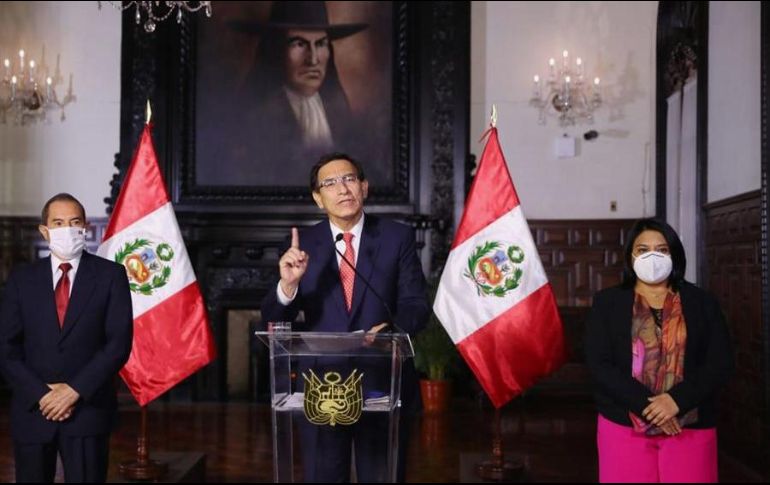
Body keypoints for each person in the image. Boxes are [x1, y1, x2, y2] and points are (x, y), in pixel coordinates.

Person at [260, 152, 429, 482]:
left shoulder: (397, 238)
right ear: (318, 198)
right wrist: (288, 284)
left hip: (383, 381)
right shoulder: (302, 244)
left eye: (350, 179)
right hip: (322, 387)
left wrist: (393, 330)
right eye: (330, 183)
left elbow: (416, 304)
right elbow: (272, 316)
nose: (342, 188)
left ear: (364, 188)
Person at [584, 218, 734, 483]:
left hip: (689, 425)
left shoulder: (702, 302)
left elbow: (720, 362)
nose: (652, 256)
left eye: (662, 250)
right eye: (643, 250)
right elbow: (599, 363)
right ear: (630, 256)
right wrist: (649, 406)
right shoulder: (607, 302)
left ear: (674, 255)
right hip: (624, 426)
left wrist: (676, 401)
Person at [0, 193, 133, 482]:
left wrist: (74, 391)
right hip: (34, 410)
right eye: (58, 223)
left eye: (74, 222)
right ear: (44, 231)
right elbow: (6, 349)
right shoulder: (22, 279)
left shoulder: (111, 275)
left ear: (85, 227)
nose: (67, 229)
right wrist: (44, 395)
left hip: (88, 411)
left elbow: (118, 344)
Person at [223, 1, 369, 186]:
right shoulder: (258, 119)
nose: (313, 59)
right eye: (299, 44)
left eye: (321, 43)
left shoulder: (340, 114)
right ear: (276, 50)